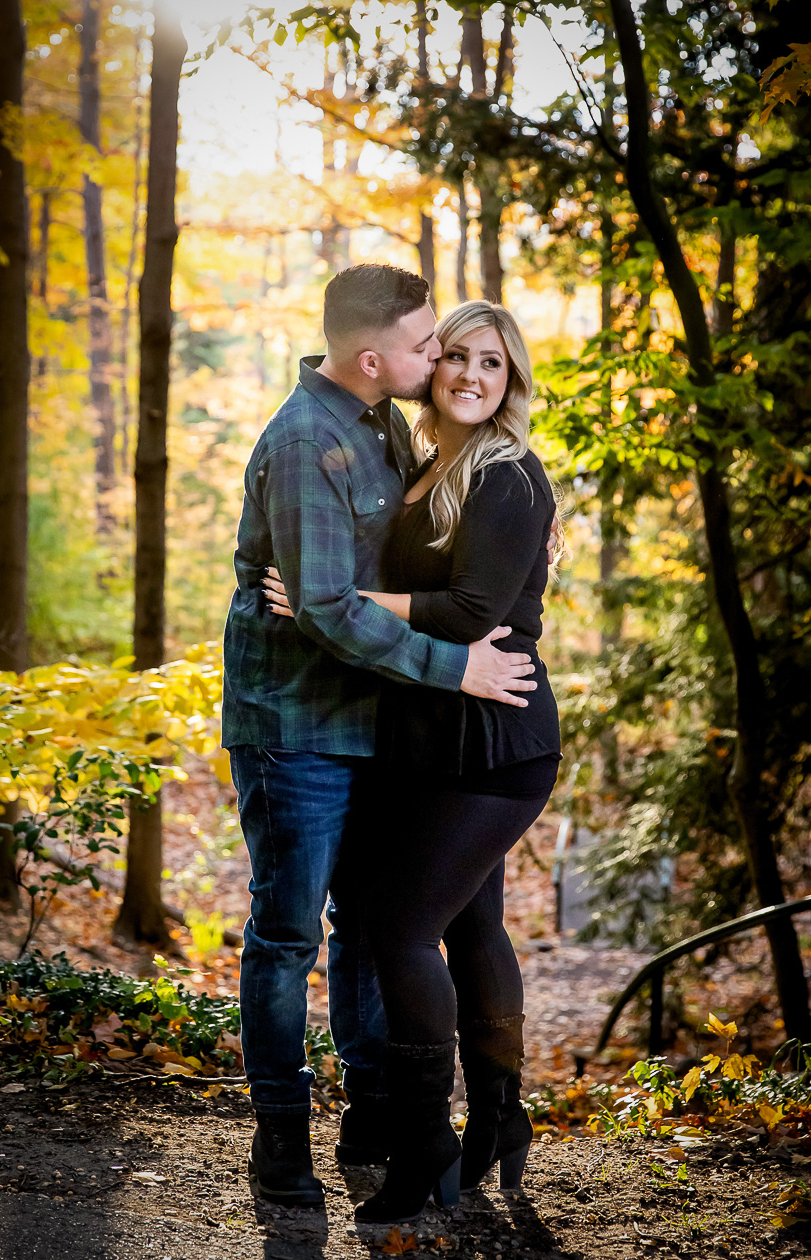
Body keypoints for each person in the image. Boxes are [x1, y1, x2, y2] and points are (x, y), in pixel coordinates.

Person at [222, 266, 538, 1208]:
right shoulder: (305, 441)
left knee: (370, 927)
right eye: (427, 346)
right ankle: (281, 1133)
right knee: (287, 936)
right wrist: (454, 664)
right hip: (299, 726)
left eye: (456, 347)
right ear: (375, 358)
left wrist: (522, 541)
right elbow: (323, 609)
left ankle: (378, 1111)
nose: (439, 359)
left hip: (381, 722)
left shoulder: (382, 424)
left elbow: (429, 555)